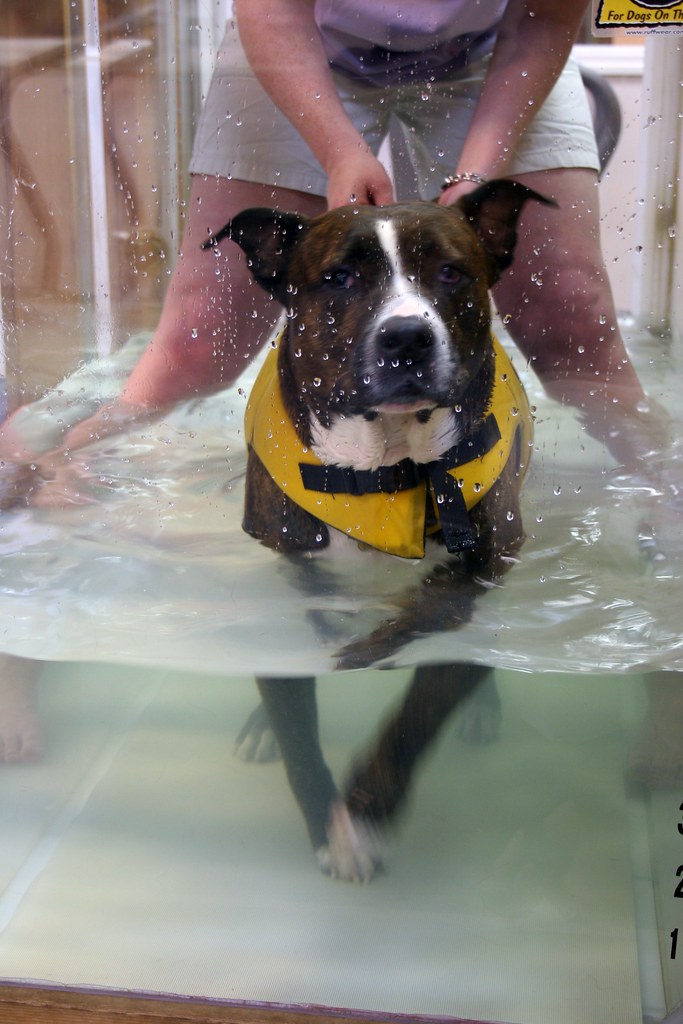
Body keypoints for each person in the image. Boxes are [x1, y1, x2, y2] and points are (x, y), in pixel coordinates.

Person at [0, 0, 674, 760]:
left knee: (579, 331)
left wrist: (475, 178)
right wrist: (334, 150)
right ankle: (19, 629)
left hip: (498, 49)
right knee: (190, 349)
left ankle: (667, 649)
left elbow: (543, 17)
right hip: (302, 39)